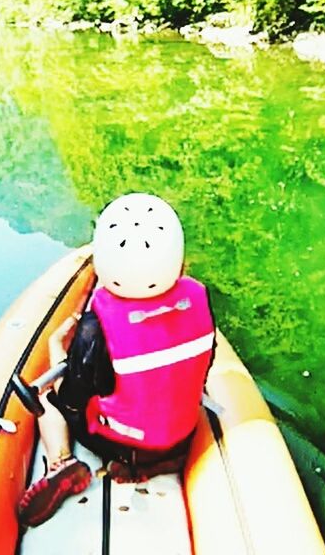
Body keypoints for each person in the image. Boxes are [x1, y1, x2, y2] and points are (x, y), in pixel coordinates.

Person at [17, 192, 216, 528]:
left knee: (45, 399)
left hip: (120, 446)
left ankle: (60, 462)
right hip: (181, 437)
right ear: (179, 263)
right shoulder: (198, 298)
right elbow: (205, 366)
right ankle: (159, 463)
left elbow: (72, 400)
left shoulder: (96, 328)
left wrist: (57, 348)